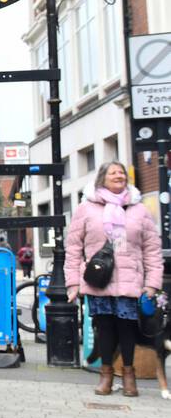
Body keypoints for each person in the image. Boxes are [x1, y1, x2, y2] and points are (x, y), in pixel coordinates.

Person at [64, 162, 162, 397]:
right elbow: (74, 247)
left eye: (121, 172)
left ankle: (129, 375)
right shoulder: (86, 208)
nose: (119, 175)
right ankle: (106, 375)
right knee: (104, 328)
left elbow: (152, 249)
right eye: (113, 172)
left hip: (130, 278)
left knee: (127, 328)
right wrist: (73, 283)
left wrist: (152, 284)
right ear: (101, 179)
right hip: (99, 278)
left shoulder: (138, 210)